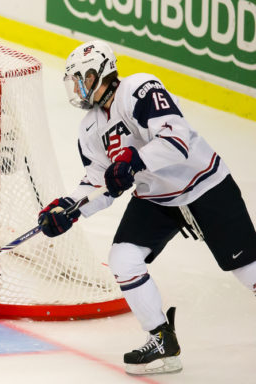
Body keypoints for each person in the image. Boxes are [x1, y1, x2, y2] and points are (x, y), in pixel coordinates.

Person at [38, 41, 256, 375]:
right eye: (75, 81)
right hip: (156, 198)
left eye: (84, 77)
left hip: (204, 183)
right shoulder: (89, 129)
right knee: (123, 258)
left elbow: (177, 138)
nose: (79, 88)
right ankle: (161, 340)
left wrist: (135, 160)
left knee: (248, 272)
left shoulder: (138, 88)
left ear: (103, 72)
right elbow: (100, 181)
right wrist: (71, 208)